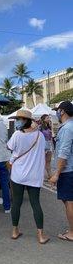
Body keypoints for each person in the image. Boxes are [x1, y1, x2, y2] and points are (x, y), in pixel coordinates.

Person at [8, 109, 49, 244]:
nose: (17, 121)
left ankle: (15, 231)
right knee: (35, 203)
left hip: (18, 175)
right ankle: (41, 235)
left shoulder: (16, 135)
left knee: (16, 203)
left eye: (19, 119)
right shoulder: (40, 136)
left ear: (25, 121)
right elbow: (45, 151)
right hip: (34, 175)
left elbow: (10, 148)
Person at [49, 101, 73, 242]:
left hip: (67, 171)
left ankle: (71, 232)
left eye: (57, 110)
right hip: (70, 169)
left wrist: (56, 174)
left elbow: (63, 153)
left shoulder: (66, 128)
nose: (56, 113)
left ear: (62, 111)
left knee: (69, 202)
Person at [39, 114, 53, 180]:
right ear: (44, 119)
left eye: (49, 118)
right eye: (47, 118)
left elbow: (51, 137)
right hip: (43, 147)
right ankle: (43, 176)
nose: (49, 119)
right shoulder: (40, 127)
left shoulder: (49, 126)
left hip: (49, 145)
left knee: (48, 161)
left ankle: (50, 175)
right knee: (42, 162)